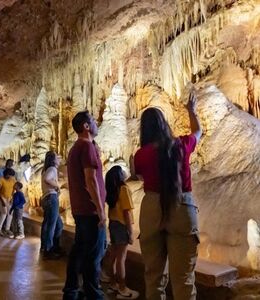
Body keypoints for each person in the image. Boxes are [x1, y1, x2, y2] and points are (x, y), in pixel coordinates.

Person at [134, 91, 202, 300]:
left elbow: (138, 174)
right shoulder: (180, 145)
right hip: (181, 206)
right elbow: (198, 132)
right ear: (164, 125)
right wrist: (191, 111)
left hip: (152, 208)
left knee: (154, 278)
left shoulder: (141, 155)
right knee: (183, 279)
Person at [63, 110, 107, 300]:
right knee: (94, 254)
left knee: (79, 250)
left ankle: (72, 291)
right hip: (90, 210)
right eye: (94, 121)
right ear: (86, 126)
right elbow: (91, 180)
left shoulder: (75, 148)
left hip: (81, 210)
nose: (97, 124)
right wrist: (100, 209)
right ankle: (93, 293)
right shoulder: (87, 147)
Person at [105, 165, 139, 299]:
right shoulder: (124, 189)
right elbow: (127, 212)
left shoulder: (112, 191)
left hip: (113, 224)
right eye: (122, 170)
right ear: (119, 175)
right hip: (121, 225)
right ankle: (123, 288)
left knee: (113, 256)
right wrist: (130, 232)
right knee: (121, 259)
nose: (125, 171)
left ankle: (113, 283)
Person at [40, 150, 64, 259]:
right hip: (51, 197)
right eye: (57, 157)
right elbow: (47, 179)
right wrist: (57, 186)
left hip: (46, 198)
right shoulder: (52, 168)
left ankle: (48, 246)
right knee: (52, 224)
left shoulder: (45, 169)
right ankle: (48, 250)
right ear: (53, 159)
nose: (59, 158)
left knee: (56, 224)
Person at [0, 159, 14, 229]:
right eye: (9, 163)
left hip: (7, 195)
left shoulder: (12, 173)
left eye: (11, 164)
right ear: (7, 163)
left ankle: (3, 226)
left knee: (6, 211)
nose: (10, 165)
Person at [0, 168, 16, 238]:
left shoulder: (13, 180)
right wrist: (2, 201)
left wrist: (12, 198)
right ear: (7, 174)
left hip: (9, 198)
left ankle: (7, 229)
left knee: (10, 213)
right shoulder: (1, 179)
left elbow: (14, 190)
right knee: (4, 212)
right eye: (11, 175)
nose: (12, 177)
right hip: (1, 197)